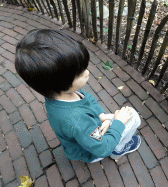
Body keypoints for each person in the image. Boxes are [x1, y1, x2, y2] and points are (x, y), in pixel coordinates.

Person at [14, 29, 141, 163]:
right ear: (60, 83)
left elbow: (87, 98)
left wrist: (102, 116)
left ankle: (114, 133)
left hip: (90, 132)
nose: (87, 73)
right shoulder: (77, 121)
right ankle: (118, 149)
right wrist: (119, 123)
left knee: (120, 118)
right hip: (91, 151)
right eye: (80, 74)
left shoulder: (57, 93)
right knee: (133, 117)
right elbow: (102, 148)